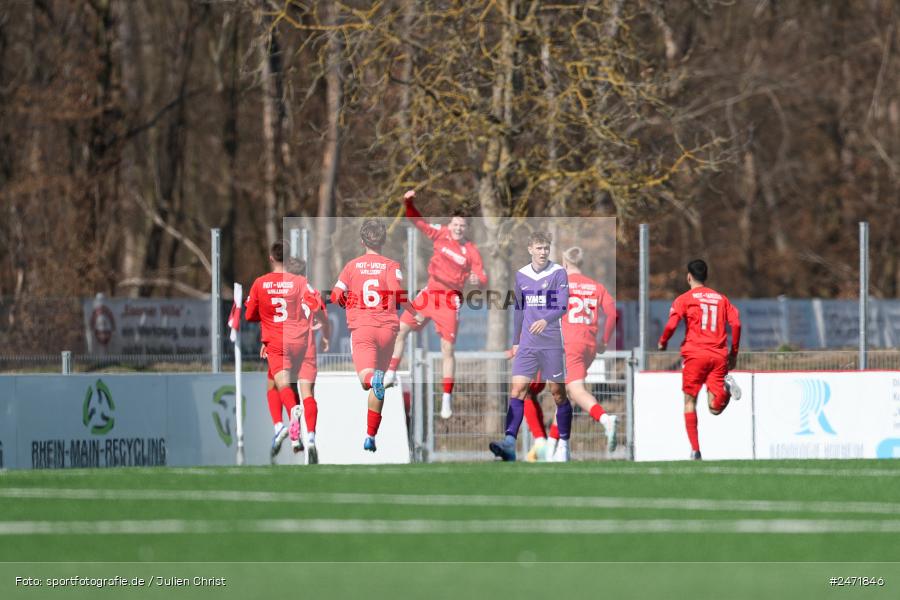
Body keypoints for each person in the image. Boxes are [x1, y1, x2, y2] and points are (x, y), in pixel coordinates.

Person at [383, 190, 487, 419]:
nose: (458, 228)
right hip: (430, 292)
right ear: (450, 224)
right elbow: (417, 222)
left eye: (462, 226)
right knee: (399, 330)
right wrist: (408, 202)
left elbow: (482, 277)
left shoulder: (470, 251)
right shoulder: (440, 234)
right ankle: (390, 373)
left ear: (466, 229)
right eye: (455, 224)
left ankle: (447, 398)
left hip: (449, 300)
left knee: (447, 349)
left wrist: (477, 280)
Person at [522, 247, 618, 461]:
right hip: (589, 345)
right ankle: (560, 447)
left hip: (568, 344)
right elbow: (612, 313)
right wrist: (604, 340)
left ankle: (604, 419)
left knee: (572, 390)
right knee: (566, 394)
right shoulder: (596, 287)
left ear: (564, 264)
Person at [331, 219, 415, 452]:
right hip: (388, 330)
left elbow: (337, 295)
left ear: (362, 241)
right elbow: (398, 293)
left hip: (363, 330)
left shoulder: (351, 266)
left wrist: (348, 303)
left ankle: (374, 382)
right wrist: (413, 311)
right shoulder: (391, 265)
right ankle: (371, 436)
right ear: (384, 241)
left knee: (366, 380)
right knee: (377, 381)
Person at [489, 231, 571, 462]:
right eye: (539, 248)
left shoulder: (558, 273)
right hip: (527, 344)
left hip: (551, 343)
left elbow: (563, 305)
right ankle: (509, 443)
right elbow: (519, 310)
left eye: (546, 248)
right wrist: (515, 342)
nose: (543, 252)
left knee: (558, 394)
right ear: (530, 249)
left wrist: (546, 319)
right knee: (517, 391)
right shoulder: (521, 275)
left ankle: (563, 444)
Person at [657, 259, 742, 460]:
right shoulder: (721, 299)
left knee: (689, 402)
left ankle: (695, 450)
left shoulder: (685, 298)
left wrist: (663, 342)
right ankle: (726, 390)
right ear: (706, 276)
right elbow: (736, 324)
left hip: (695, 355)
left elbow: (671, 325)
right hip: (719, 355)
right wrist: (734, 353)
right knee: (714, 408)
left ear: (688, 277)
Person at [245, 241, 319, 462]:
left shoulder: (260, 283)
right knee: (281, 383)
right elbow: (314, 306)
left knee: (281, 385)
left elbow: (249, 315)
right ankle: (297, 434)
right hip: (300, 342)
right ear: (288, 259)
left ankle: (285, 421)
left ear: (271, 258)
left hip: (276, 342)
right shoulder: (299, 282)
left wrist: (267, 322)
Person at [258, 257, 328, 464]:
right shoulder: (309, 290)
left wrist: (266, 342)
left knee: (276, 383)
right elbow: (322, 313)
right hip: (307, 346)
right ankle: (311, 438)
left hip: (284, 344)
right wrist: (326, 335)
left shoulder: (282, 289)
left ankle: (283, 426)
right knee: (307, 393)